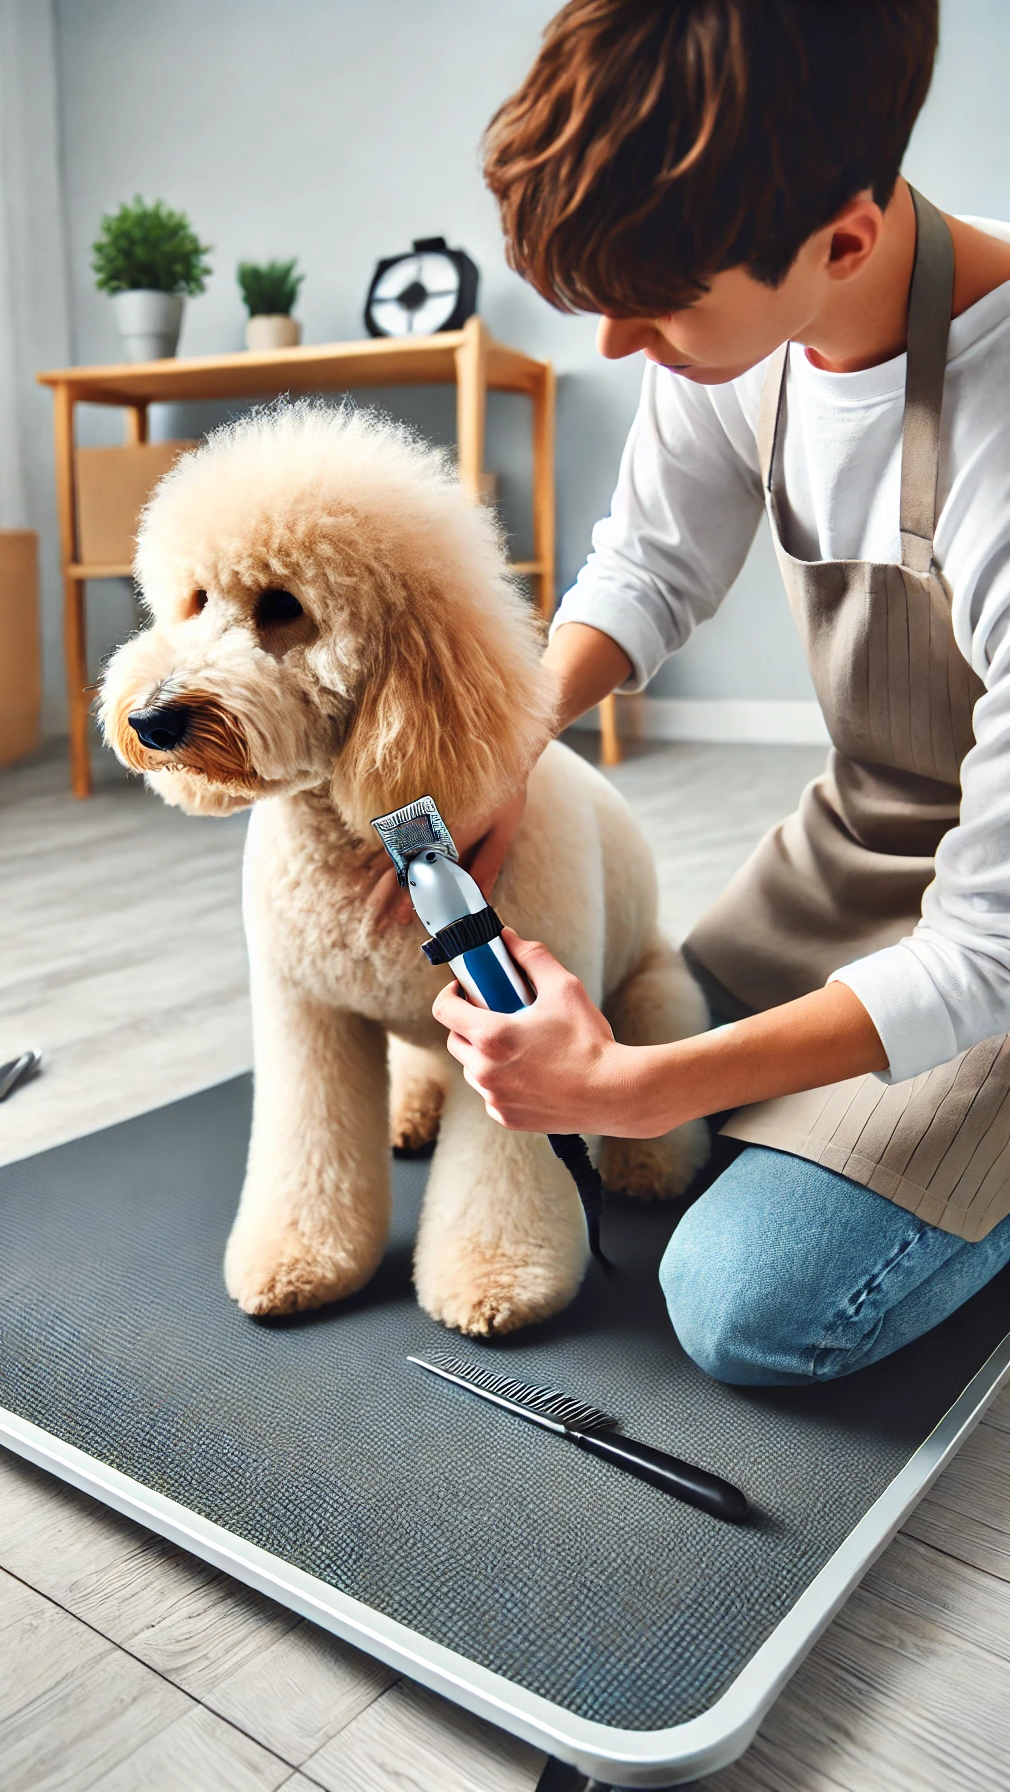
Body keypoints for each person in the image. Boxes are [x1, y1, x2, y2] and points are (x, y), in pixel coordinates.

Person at [424, 0, 1010, 1385]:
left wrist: (624, 1087)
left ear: (846, 240)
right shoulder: (730, 308)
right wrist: (514, 740)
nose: (623, 346)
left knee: (743, 1301)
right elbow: (651, 559)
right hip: (862, 851)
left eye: (659, 310)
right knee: (633, 1071)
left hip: (1000, 940)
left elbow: (989, 952)